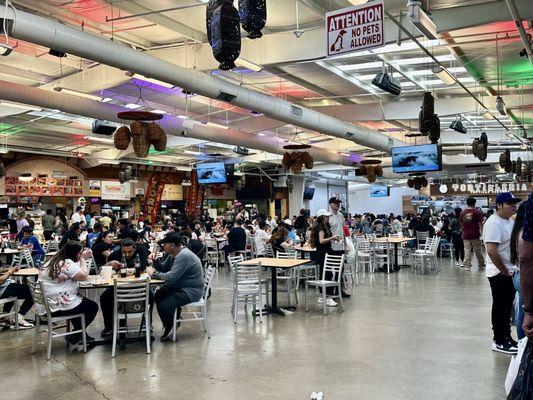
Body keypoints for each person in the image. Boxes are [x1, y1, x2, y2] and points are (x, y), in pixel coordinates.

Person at [146, 233, 204, 341]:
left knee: (164, 305)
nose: (163, 247)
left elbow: (171, 277)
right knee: (158, 295)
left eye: (165, 244)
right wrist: (156, 260)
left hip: (191, 290)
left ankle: (170, 326)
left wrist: (153, 274)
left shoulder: (184, 255)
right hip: (180, 287)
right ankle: (171, 321)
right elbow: (163, 268)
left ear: (172, 245)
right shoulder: (173, 254)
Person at [482, 192, 521, 355]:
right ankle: (498, 340)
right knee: (500, 307)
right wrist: (504, 271)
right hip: (499, 273)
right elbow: (492, 251)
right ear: (499, 205)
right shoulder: (493, 223)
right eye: (510, 203)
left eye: (514, 203)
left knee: (506, 308)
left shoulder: (508, 221)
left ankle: (506, 337)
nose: (514, 206)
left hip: (509, 271)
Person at [39, 241, 98, 345]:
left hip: (45, 304)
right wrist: (83, 259)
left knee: (80, 303)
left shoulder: (53, 260)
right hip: (56, 306)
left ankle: (79, 334)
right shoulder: (67, 263)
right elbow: (84, 276)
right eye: (79, 253)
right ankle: (76, 334)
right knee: (92, 307)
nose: (80, 255)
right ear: (73, 253)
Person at [99, 238, 150, 336]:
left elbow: (143, 266)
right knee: (105, 298)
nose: (127, 254)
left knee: (150, 295)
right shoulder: (114, 255)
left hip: (139, 284)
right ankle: (109, 327)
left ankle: (148, 323)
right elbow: (102, 273)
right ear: (120, 249)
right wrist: (109, 265)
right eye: (124, 252)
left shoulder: (141, 251)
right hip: (120, 286)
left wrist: (127, 269)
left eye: (130, 252)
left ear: (135, 248)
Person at [310, 209, 339, 307]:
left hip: (323, 252)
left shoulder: (321, 226)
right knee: (328, 274)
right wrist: (332, 238)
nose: (328, 217)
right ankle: (327, 296)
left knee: (324, 273)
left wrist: (332, 239)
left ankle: (322, 296)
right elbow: (321, 241)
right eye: (326, 216)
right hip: (324, 253)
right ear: (322, 217)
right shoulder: (321, 227)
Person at [510, 202, 527, 340]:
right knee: (524, 314)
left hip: (520, 275)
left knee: (522, 313)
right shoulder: (524, 235)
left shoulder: (518, 230)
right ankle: (523, 346)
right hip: (524, 277)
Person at [460, 197, 485, 272]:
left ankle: (467, 266)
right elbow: (481, 223)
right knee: (477, 250)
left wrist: (464, 230)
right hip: (475, 234)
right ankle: (480, 265)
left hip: (465, 235)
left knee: (467, 250)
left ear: (467, 203)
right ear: (474, 203)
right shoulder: (477, 212)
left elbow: (461, 224)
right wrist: (482, 232)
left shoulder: (462, 212)